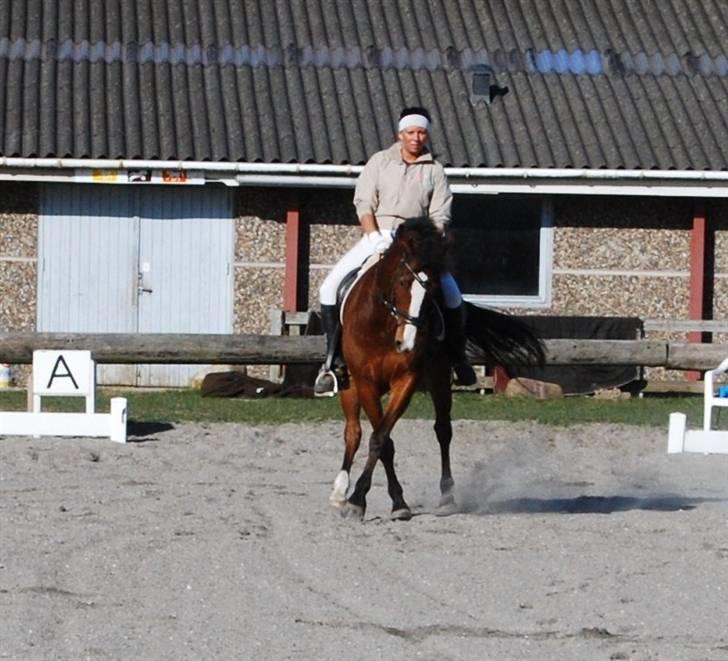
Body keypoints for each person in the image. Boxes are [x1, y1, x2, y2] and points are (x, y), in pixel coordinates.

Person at [313, 106, 477, 396]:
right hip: (379, 234)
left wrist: (429, 244)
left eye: (422, 132)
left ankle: (457, 359)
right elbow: (363, 201)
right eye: (411, 132)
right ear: (400, 134)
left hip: (417, 242)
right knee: (329, 288)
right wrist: (373, 235)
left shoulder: (435, 170)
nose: (416, 138)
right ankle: (332, 361)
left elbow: (440, 215)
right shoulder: (379, 162)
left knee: (452, 295)